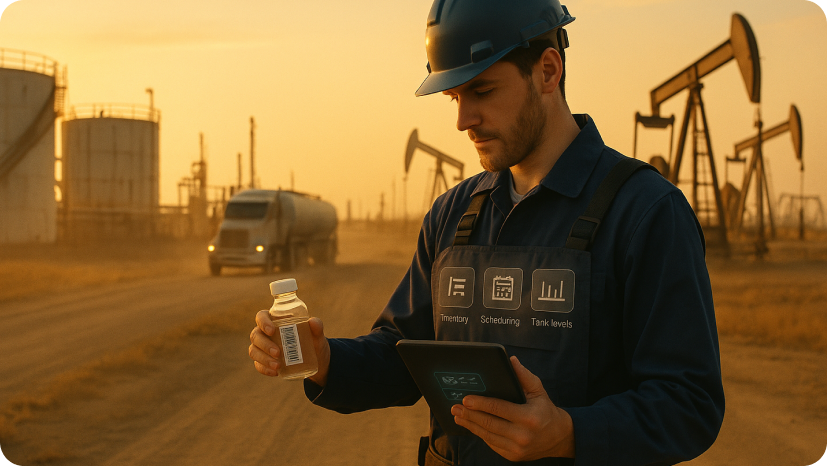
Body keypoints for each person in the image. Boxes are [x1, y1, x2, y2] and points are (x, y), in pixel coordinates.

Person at [249, 0, 725, 464]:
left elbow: (689, 404)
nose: (462, 121)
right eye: (455, 97)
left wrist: (570, 434)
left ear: (547, 71)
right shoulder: (452, 215)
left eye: (482, 91)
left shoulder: (645, 213)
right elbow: (404, 359)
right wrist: (327, 359)